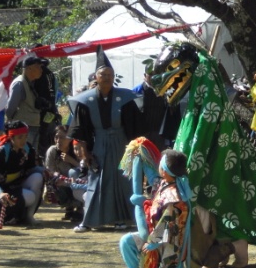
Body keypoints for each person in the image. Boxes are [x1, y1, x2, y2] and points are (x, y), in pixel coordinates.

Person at [116, 149, 220, 268]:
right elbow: (152, 176)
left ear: (164, 170)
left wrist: (152, 242)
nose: (158, 166)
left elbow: (166, 223)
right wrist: (141, 155)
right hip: (154, 238)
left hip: (171, 245)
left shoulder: (174, 197)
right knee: (127, 241)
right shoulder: (164, 183)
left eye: (160, 164)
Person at [67, 51, 141, 232]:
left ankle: (122, 218)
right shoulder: (87, 100)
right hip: (99, 143)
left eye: (110, 75)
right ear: (96, 77)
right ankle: (89, 220)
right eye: (103, 75)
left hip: (121, 143)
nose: (107, 78)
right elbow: (81, 131)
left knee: (122, 180)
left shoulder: (124, 98)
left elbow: (135, 126)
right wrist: (85, 153)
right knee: (96, 179)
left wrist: (134, 149)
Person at [0, 120, 45, 225]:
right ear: (11, 138)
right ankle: (10, 216)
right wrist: (0, 193)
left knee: (38, 176)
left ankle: (29, 216)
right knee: (30, 197)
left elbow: (32, 168)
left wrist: (46, 171)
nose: (24, 140)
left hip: (16, 185)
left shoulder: (28, 149)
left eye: (25, 136)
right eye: (20, 137)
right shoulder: (1, 153)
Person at [44, 124, 84, 221]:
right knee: (55, 185)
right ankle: (68, 207)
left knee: (73, 172)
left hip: (79, 184)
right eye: (56, 137)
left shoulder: (77, 149)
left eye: (62, 137)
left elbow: (85, 171)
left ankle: (81, 208)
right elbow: (49, 171)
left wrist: (72, 161)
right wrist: (55, 177)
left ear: (69, 138)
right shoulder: (52, 151)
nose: (58, 140)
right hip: (61, 183)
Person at [5, 56, 46, 150]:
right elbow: (10, 109)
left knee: (31, 157)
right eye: (38, 67)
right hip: (22, 130)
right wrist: (12, 127)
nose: (41, 70)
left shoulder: (30, 83)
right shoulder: (19, 83)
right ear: (29, 68)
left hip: (33, 126)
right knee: (23, 156)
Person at [133, 71, 180, 151]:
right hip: (142, 133)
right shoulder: (136, 91)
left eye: (156, 74)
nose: (154, 77)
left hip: (160, 134)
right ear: (145, 75)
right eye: (150, 74)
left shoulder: (166, 91)